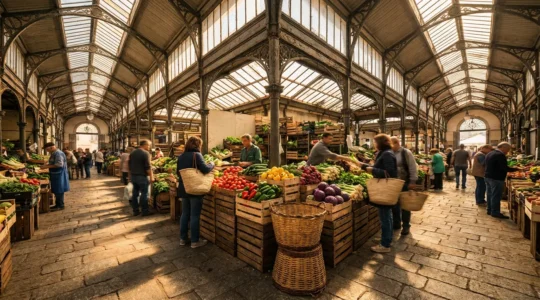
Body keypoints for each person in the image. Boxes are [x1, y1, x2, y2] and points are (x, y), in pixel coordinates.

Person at [360, 134, 398, 253]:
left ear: (381, 142)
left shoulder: (387, 154)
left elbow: (389, 172)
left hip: (384, 188)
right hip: (384, 187)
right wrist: (365, 166)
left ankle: (385, 245)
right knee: (387, 216)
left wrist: (372, 170)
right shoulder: (385, 152)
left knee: (385, 217)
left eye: (375, 142)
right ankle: (387, 239)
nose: (374, 144)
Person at [177, 136, 215, 248]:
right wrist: (211, 164)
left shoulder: (181, 156)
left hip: (184, 189)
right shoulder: (196, 155)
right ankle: (194, 241)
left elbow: (178, 173)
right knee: (195, 215)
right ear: (197, 145)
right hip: (195, 190)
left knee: (184, 214)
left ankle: (183, 239)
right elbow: (205, 169)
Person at [485, 142, 520, 219]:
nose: (507, 151)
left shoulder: (490, 153)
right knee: (496, 195)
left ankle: (489, 209)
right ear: (503, 147)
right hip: (496, 178)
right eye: (507, 150)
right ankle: (495, 212)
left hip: (488, 176)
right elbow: (504, 168)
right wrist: (516, 169)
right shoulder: (500, 155)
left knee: (490, 194)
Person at [390, 137, 417, 236]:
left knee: (405, 205)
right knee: (394, 204)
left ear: (397, 143)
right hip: (393, 183)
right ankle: (396, 224)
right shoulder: (390, 152)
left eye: (391, 144)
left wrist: (413, 181)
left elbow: (412, 167)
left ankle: (406, 226)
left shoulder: (406, 152)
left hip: (404, 182)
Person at [41, 142, 70, 210]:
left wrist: (46, 166)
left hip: (59, 174)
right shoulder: (54, 153)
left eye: (47, 149)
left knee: (59, 190)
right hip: (56, 174)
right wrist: (47, 164)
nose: (47, 151)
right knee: (57, 190)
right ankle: (58, 204)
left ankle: (60, 205)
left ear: (51, 147)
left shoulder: (58, 153)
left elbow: (59, 164)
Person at [129, 140, 154, 216]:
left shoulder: (133, 153)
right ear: (145, 145)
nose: (149, 147)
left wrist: (130, 175)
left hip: (134, 176)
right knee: (144, 194)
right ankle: (145, 211)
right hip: (142, 177)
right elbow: (148, 167)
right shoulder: (145, 153)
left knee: (135, 193)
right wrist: (151, 177)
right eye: (149, 145)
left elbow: (130, 165)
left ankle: (135, 211)